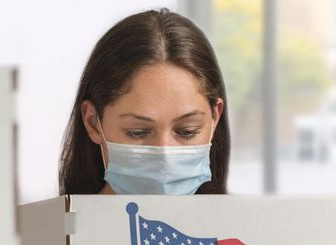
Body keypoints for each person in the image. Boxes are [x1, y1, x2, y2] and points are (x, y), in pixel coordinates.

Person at [59, 9, 230, 196]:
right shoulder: (51, 224)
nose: (164, 154)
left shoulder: (246, 224)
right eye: (137, 132)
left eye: (187, 131)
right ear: (93, 122)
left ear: (214, 119)